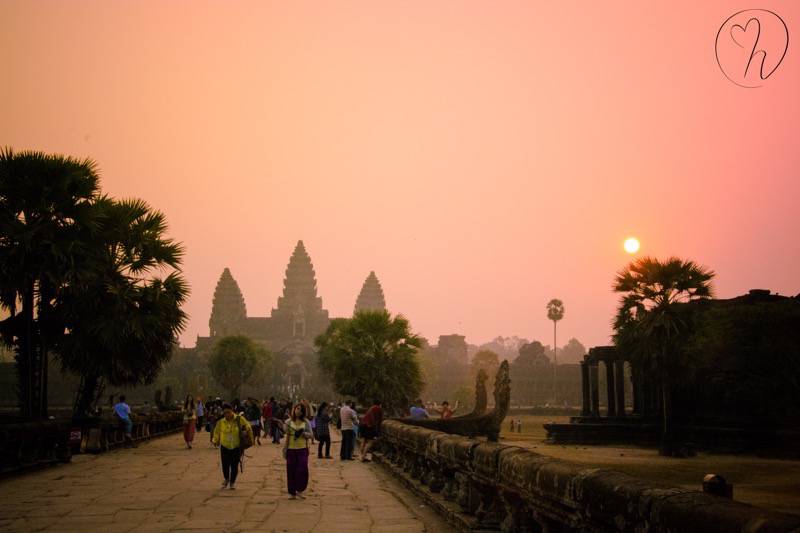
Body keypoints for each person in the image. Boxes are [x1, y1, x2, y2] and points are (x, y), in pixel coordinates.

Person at [212, 403, 253, 490]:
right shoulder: (221, 422)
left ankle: (232, 482)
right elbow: (216, 432)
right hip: (225, 446)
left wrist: (246, 431)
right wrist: (215, 440)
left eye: (228, 412)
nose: (227, 414)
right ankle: (226, 478)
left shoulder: (239, 419)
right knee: (225, 465)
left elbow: (248, 426)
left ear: (232, 411)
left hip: (236, 446)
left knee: (234, 465)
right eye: (225, 413)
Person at [284, 403, 313, 499]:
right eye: (297, 409)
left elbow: (311, 435)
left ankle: (300, 490)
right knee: (291, 470)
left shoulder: (306, 422)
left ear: (303, 412)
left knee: (302, 469)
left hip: (302, 449)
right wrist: (285, 449)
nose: (298, 411)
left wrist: (304, 434)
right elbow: (286, 434)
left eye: (300, 410)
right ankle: (292, 493)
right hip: (291, 449)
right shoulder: (288, 422)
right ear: (294, 409)